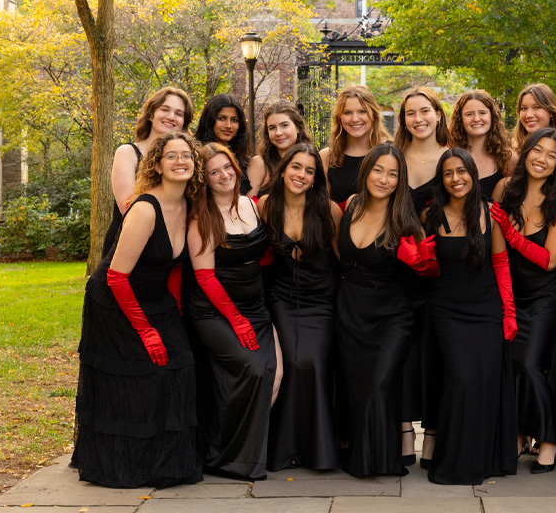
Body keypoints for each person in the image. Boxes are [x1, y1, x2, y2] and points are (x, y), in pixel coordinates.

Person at [73, 131, 203, 488]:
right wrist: (146, 331)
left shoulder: (188, 205)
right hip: (115, 300)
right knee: (146, 374)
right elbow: (116, 277)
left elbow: (172, 266)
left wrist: (172, 314)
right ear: (157, 165)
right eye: (172, 156)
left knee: (182, 365)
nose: (180, 161)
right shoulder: (146, 208)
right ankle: (129, 464)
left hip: (155, 298)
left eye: (187, 155)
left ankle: (166, 461)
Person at [336, 143, 438, 477]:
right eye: (378, 170)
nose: (384, 179)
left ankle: (379, 460)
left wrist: (421, 263)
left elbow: (428, 273)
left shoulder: (407, 218)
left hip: (391, 317)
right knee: (358, 388)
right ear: (366, 172)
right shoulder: (350, 205)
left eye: (393, 174)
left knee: (379, 384)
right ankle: (362, 458)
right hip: (350, 312)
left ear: (400, 179)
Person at [422, 148, 518, 485]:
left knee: (485, 380)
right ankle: (455, 460)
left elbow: (501, 263)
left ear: (473, 175)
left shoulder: (491, 213)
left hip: (487, 308)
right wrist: (420, 260)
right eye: (448, 173)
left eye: (462, 171)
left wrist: (508, 312)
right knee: (461, 379)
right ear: (441, 179)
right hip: (447, 309)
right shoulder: (430, 215)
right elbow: (427, 267)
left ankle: (485, 459)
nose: (455, 179)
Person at [186, 142, 280, 480]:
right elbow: (206, 278)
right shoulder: (201, 216)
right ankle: (226, 456)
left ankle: (246, 453)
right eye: (214, 172)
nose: (224, 175)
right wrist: (236, 319)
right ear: (205, 179)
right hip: (215, 313)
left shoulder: (251, 205)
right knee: (253, 370)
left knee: (273, 375)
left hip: (256, 308)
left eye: (227, 167)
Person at [258, 143, 343, 471]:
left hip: (320, 301)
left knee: (313, 362)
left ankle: (318, 450)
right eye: (296, 167)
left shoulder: (328, 209)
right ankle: (282, 449)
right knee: (289, 362)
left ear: (315, 178)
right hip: (281, 299)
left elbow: (342, 261)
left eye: (309, 171)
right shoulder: (266, 206)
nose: (302, 175)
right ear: (284, 170)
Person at [491, 128, 556, 473]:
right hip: (510, 292)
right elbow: (498, 255)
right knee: (509, 365)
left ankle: (550, 438)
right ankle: (521, 433)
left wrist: (511, 233)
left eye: (551, 155)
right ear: (525, 152)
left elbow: (550, 260)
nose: (541, 159)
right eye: (536, 150)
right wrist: (506, 305)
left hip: (544, 296)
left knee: (529, 364)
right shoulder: (505, 190)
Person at [393, 86, 450, 467]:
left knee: (434, 351)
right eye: (411, 113)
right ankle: (401, 428)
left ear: (438, 114)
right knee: (400, 352)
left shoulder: (451, 158)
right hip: (396, 269)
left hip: (440, 271)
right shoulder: (393, 158)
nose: (419, 118)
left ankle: (431, 431)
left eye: (425, 110)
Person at [102, 87, 194, 255]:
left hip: (173, 247)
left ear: (184, 123)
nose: (171, 117)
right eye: (165, 109)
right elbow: (127, 207)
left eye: (179, 113)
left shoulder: (188, 160)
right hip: (129, 247)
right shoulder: (128, 153)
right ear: (151, 115)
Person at [320, 85, 391, 206]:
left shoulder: (392, 152)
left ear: (373, 114)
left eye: (362, 111)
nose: (354, 119)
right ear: (339, 118)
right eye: (347, 113)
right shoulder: (326, 157)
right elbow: (324, 208)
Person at [448, 89, 517, 198]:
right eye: (469, 114)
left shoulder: (508, 158)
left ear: (492, 116)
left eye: (482, 113)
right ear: (460, 119)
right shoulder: (450, 157)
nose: (476, 119)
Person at [193, 94, 260, 197]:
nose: (228, 125)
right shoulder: (195, 156)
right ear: (210, 120)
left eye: (234, 120)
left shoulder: (244, 162)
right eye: (221, 118)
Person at [249, 100, 315, 197]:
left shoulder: (312, 160)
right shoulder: (260, 164)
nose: (278, 133)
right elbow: (246, 204)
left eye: (284, 125)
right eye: (272, 128)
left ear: (297, 127)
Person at [512, 83, 556, 148]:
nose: (529, 115)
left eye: (536, 107)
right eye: (524, 108)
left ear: (551, 112)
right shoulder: (509, 151)